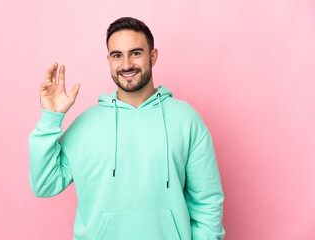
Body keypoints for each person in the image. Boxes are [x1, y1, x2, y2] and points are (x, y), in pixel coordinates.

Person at [29, 17, 225, 240]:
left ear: (153, 56)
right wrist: (50, 119)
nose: (126, 64)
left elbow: (207, 202)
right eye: (117, 55)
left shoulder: (186, 119)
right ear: (109, 60)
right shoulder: (85, 125)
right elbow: (44, 184)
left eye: (136, 53)